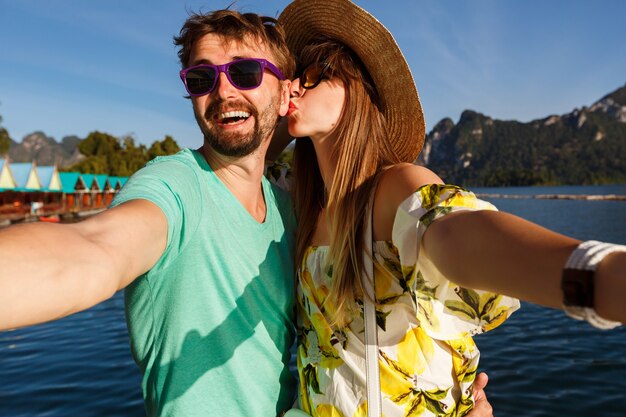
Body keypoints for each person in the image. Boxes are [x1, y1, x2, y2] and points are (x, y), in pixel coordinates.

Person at [274, 0, 626, 416]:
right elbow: (237, 161)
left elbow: (456, 234)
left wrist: (598, 277)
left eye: (314, 75)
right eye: (292, 77)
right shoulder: (294, 195)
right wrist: (275, 105)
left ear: (358, 90)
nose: (295, 86)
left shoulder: (395, 185)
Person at [0, 9, 298, 417]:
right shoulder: (174, 187)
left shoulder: (288, 212)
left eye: (245, 72)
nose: (224, 92)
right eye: (201, 78)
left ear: (286, 95)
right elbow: (95, 247)